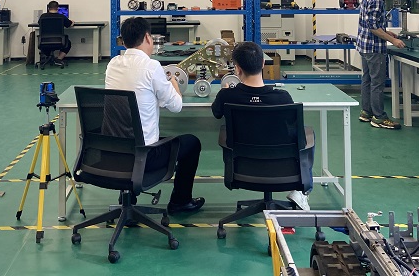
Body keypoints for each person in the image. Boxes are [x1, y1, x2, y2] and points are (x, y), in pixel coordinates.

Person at [105, 16, 205, 215]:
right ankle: (180, 201)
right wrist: (173, 83)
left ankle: (127, 198)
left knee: (131, 132)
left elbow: (137, 94)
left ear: (123, 42)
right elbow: (176, 106)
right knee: (192, 143)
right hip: (146, 156)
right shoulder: (152, 67)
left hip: (114, 153)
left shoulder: (113, 64)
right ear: (148, 38)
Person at [211, 41, 313, 211]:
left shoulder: (227, 96)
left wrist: (226, 91)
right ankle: (302, 192)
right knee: (309, 134)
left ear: (237, 69)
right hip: (282, 170)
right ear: (263, 63)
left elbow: (216, 113)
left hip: (243, 170)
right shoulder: (283, 98)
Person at [356, 0, 405, 130]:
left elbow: (371, 23)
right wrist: (393, 40)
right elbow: (373, 28)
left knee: (367, 80)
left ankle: (366, 112)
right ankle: (379, 117)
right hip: (374, 48)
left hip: (364, 45)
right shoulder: (377, 0)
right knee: (377, 83)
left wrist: (386, 31)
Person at [38, 1, 74, 67]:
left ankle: (48, 57)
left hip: (44, 41)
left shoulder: (43, 16)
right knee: (68, 43)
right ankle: (59, 59)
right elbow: (69, 24)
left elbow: (39, 24)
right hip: (59, 41)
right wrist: (72, 22)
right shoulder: (62, 17)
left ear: (48, 8)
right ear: (57, 8)